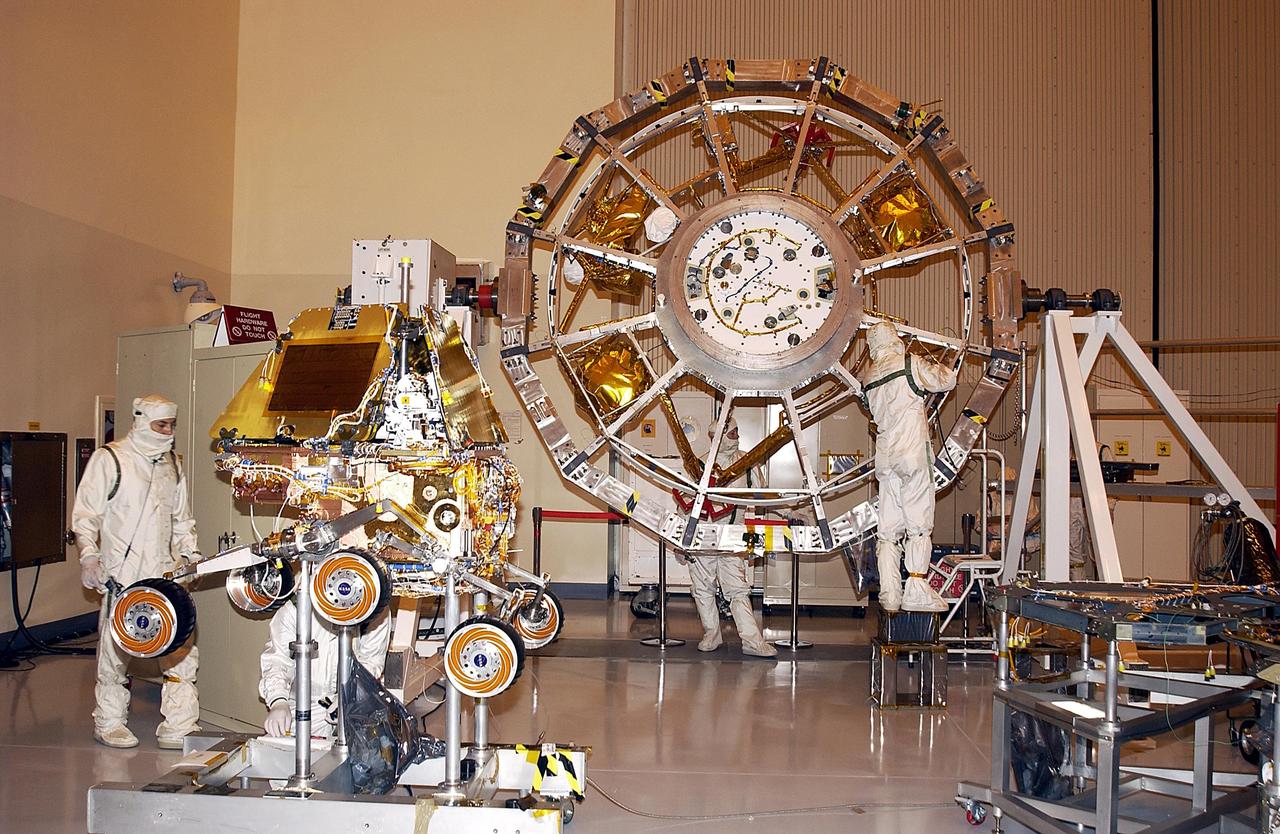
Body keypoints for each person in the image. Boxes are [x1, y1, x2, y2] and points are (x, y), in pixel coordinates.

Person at [73, 394, 202, 749]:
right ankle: (109, 721)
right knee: (115, 655)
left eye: (172, 426)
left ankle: (179, 724)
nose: (168, 432)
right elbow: (86, 516)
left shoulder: (172, 465)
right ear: (142, 421)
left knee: (180, 652)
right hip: (123, 576)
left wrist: (189, 556)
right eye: (161, 425)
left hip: (165, 578)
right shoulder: (110, 460)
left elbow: (182, 519)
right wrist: (89, 557)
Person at [857, 323, 957, 613]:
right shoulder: (909, 364)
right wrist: (946, 359)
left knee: (887, 529)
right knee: (918, 525)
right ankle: (916, 587)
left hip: (885, 459)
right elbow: (946, 380)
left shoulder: (869, 376)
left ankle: (889, 595)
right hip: (912, 454)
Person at [686, 417, 777, 658]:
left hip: (733, 535)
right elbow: (687, 501)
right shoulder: (701, 465)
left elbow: (763, 496)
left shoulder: (747, 463)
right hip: (704, 535)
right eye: (733, 433)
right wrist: (682, 537)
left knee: (738, 589)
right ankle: (711, 633)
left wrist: (788, 511)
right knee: (702, 588)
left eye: (737, 432)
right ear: (718, 437)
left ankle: (752, 641)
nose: (737, 437)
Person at [260, 599, 391, 737]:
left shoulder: (375, 605)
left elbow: (371, 662)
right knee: (288, 753)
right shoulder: (296, 606)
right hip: (304, 709)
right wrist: (278, 701)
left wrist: (349, 696)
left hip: (356, 708)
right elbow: (278, 660)